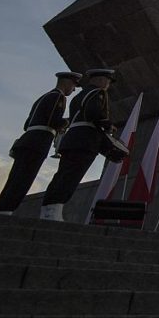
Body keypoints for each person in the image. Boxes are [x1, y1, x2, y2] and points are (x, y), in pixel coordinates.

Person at [0, 72, 81, 215]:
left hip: (28, 139)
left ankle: (2, 209)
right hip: (37, 143)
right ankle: (6, 210)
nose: (73, 89)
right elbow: (53, 120)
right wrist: (69, 121)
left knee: (16, 177)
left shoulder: (44, 97)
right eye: (74, 85)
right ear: (67, 82)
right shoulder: (58, 97)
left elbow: (27, 124)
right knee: (24, 178)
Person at [40, 69, 116, 221]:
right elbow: (94, 113)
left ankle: (48, 209)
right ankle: (54, 210)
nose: (108, 84)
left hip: (72, 139)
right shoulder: (98, 93)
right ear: (101, 80)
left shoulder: (78, 96)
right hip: (85, 140)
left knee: (62, 175)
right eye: (108, 81)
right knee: (71, 177)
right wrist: (108, 125)